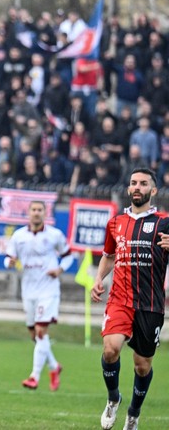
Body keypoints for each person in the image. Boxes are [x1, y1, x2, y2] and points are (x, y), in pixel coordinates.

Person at [93, 168, 169, 430]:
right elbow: (109, 256)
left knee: (142, 366)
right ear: (128, 189)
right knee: (110, 349)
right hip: (120, 299)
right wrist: (98, 279)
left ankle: (134, 413)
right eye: (134, 183)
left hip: (150, 304)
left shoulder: (164, 222)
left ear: (153, 190)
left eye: (143, 183)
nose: (137, 187)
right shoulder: (115, 222)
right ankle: (113, 398)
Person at [4, 200, 72, 391]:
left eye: (39, 210)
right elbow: (8, 258)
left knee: (41, 331)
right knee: (35, 335)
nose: (36, 213)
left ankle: (34, 376)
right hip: (28, 290)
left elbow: (68, 255)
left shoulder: (54, 235)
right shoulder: (19, 236)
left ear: (45, 213)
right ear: (28, 213)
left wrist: (59, 270)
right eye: (33, 210)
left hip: (48, 290)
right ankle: (54, 366)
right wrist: (9, 263)